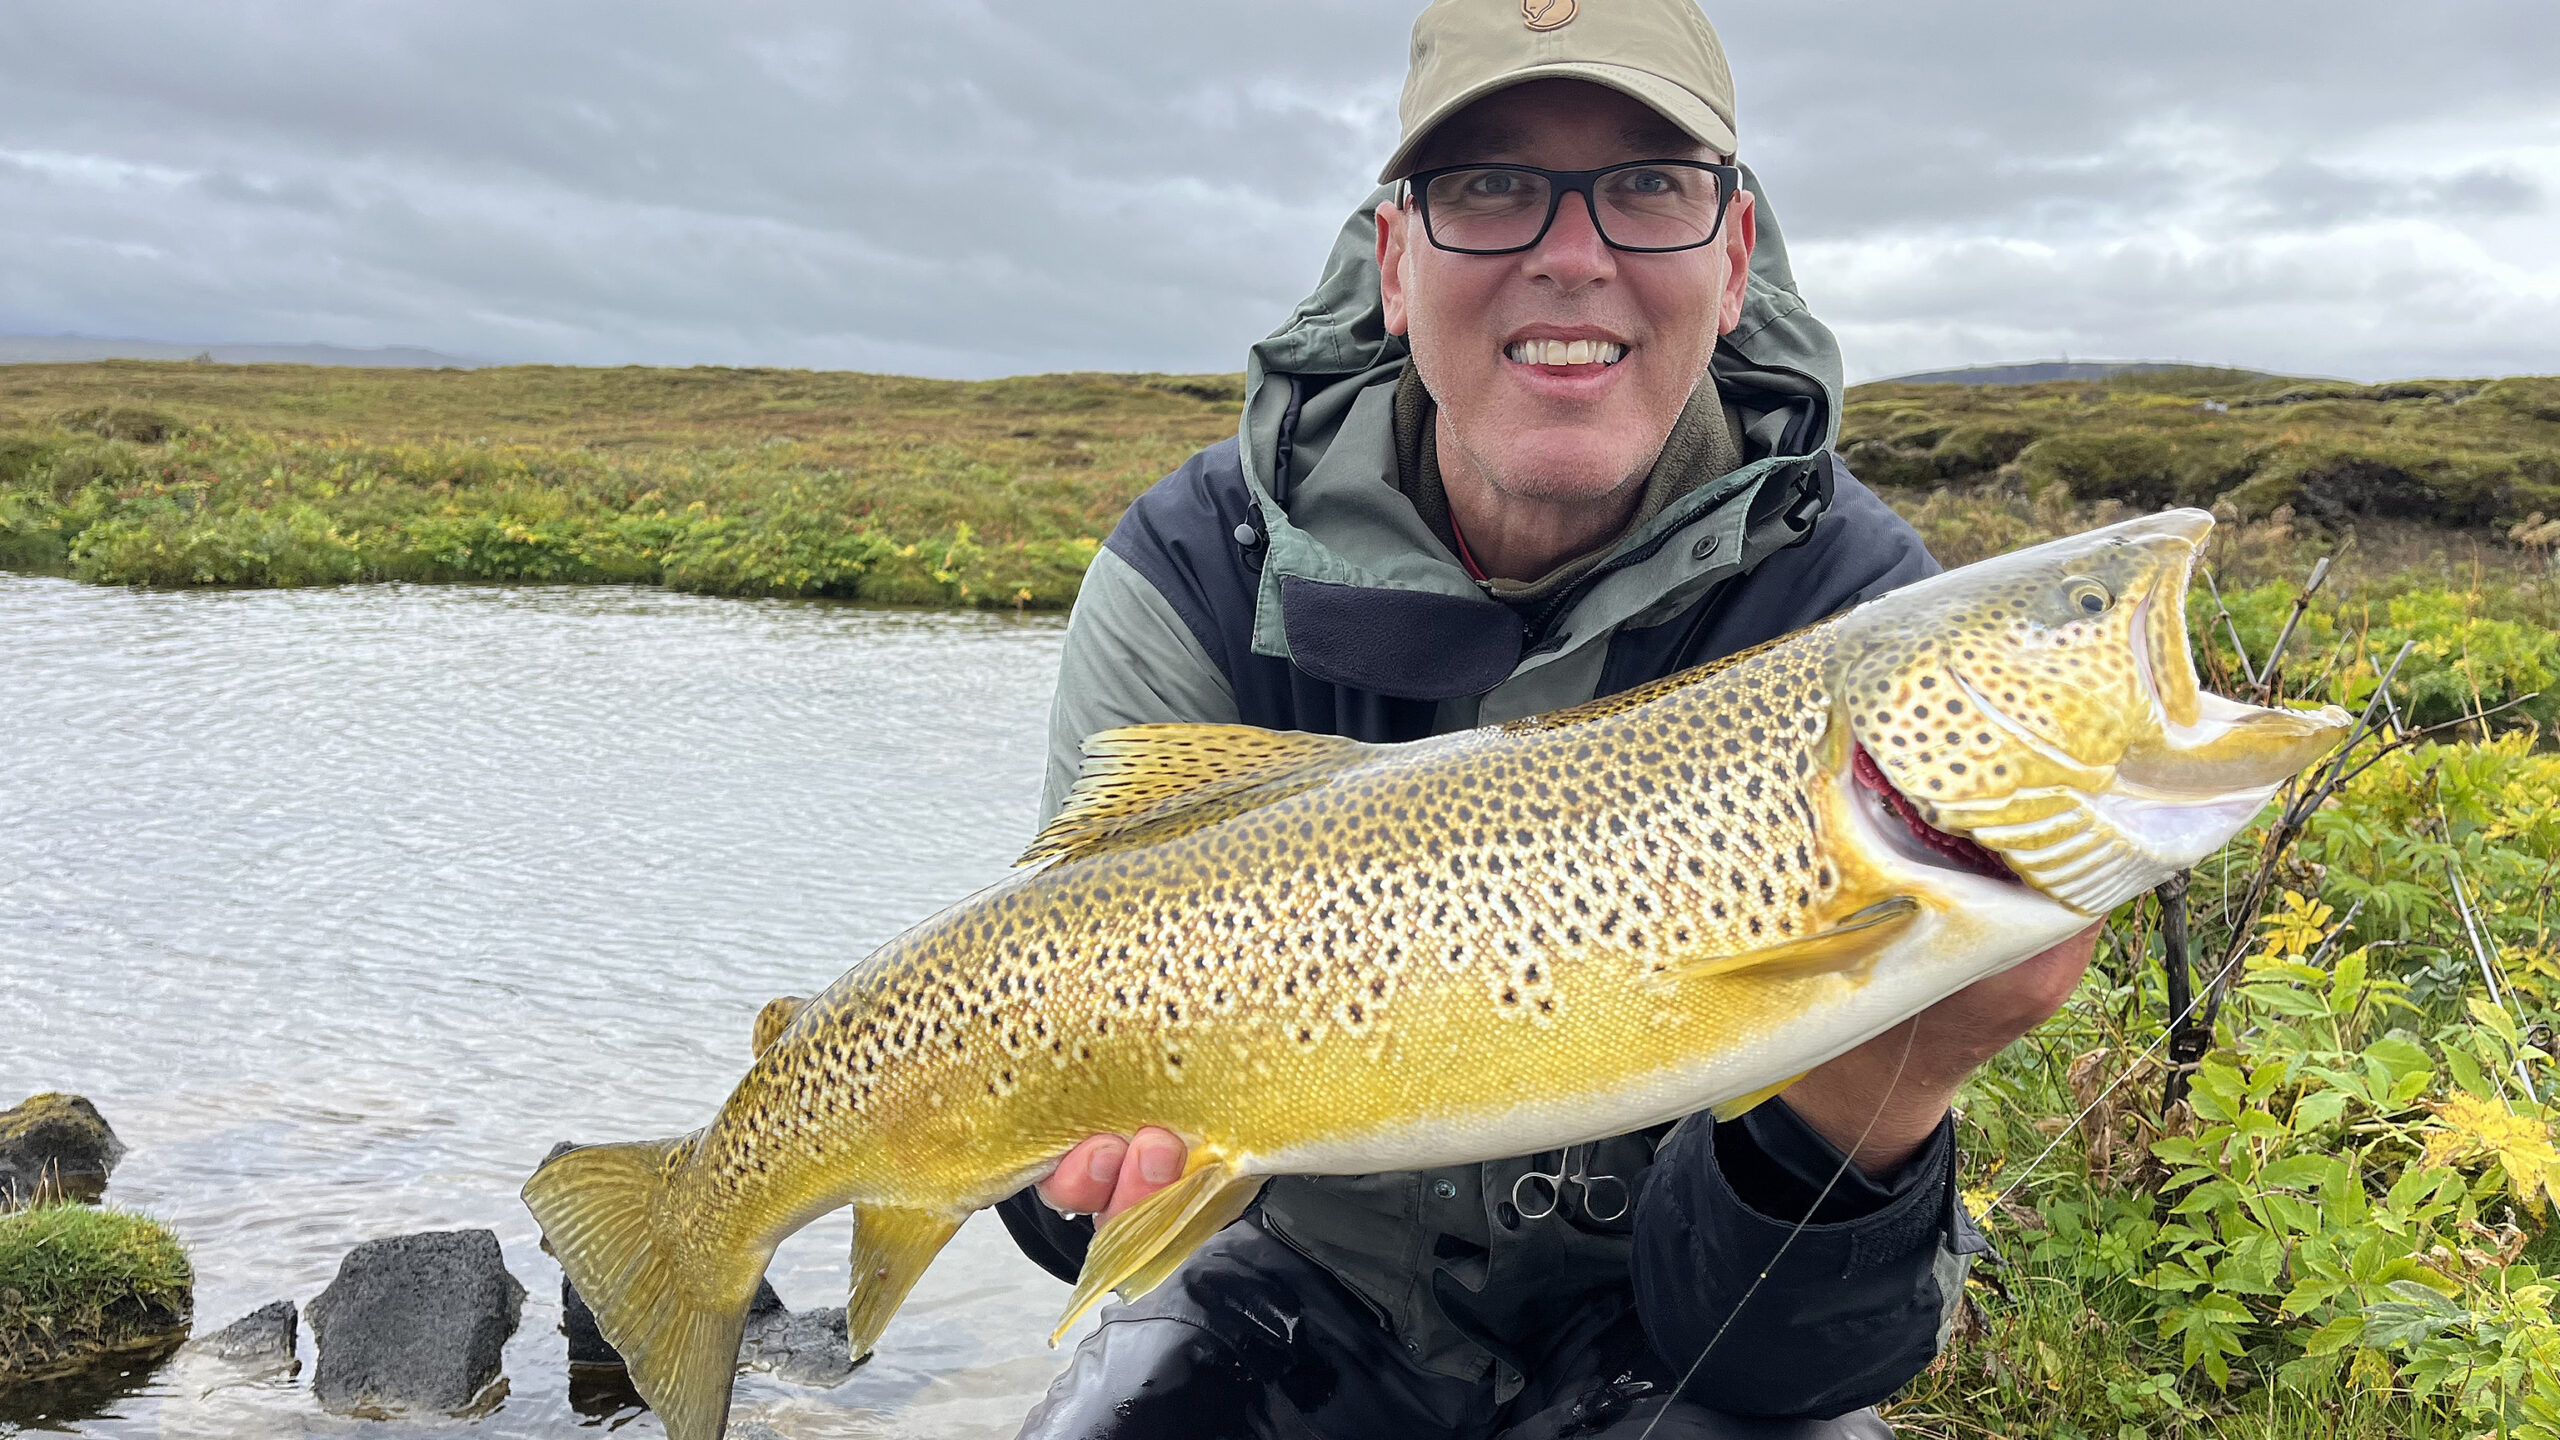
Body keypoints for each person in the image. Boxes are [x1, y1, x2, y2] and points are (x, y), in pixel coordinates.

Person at [999, 2, 2096, 1435]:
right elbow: (1062, 1209)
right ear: (1395, 261)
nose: (1571, 257)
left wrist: (1891, 1082)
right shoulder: (1199, 568)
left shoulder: (1858, 620)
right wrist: (1055, 1168)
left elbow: (1788, 1371)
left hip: (1667, 1323)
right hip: (1295, 1298)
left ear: (1734, 253)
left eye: (1649, 186)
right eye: (1491, 187)